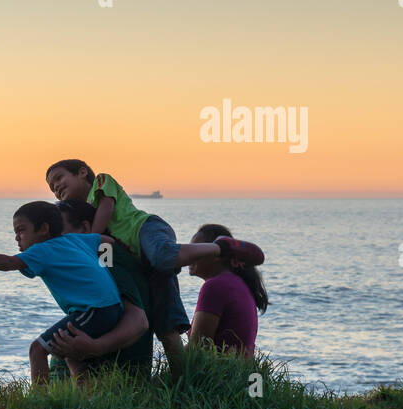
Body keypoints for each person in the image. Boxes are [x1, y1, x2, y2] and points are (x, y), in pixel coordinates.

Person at [44, 159, 265, 373]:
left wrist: (89, 240)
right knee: (163, 314)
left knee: (164, 259)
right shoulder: (88, 218)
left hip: (145, 229)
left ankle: (220, 247)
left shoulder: (101, 185)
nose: (56, 187)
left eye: (59, 178)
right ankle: (182, 378)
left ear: (82, 172)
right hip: (139, 256)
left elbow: (107, 210)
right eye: (52, 187)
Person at [0, 201, 122, 384]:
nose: (17, 238)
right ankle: (87, 398)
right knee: (68, 351)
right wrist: (106, 267)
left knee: (37, 350)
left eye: (21, 230)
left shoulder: (43, 249)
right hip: (110, 306)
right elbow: (108, 242)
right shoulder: (76, 239)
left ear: (43, 229)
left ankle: (39, 403)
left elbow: (8, 263)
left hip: (95, 310)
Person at [46, 200, 152, 376]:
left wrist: (96, 347)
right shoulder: (83, 258)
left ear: (85, 229)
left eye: (58, 232)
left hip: (112, 381)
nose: (51, 241)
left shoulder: (105, 254)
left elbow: (138, 320)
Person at [187, 223, 267, 357]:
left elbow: (197, 348)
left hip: (220, 375)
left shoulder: (215, 286)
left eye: (197, 249)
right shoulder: (236, 283)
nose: (190, 255)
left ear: (217, 254)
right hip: (238, 374)